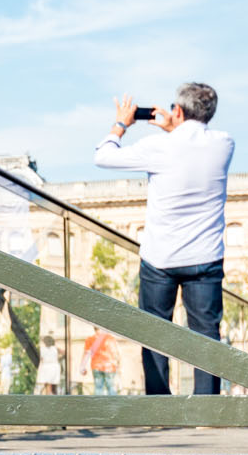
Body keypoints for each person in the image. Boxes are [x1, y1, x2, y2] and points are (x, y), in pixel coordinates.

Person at [95, 84, 234, 394]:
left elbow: (103, 156)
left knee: (155, 332)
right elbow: (191, 141)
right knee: (206, 335)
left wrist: (122, 123)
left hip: (161, 257)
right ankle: (207, 408)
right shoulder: (225, 143)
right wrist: (176, 125)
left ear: (180, 111)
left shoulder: (157, 147)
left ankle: (160, 404)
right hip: (205, 257)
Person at [82, 326, 120, 394]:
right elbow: (116, 353)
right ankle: (113, 404)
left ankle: (99, 404)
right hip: (109, 367)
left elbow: (86, 354)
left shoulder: (90, 339)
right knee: (111, 388)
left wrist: (82, 367)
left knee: (98, 388)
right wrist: (118, 365)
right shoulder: (110, 338)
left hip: (96, 366)